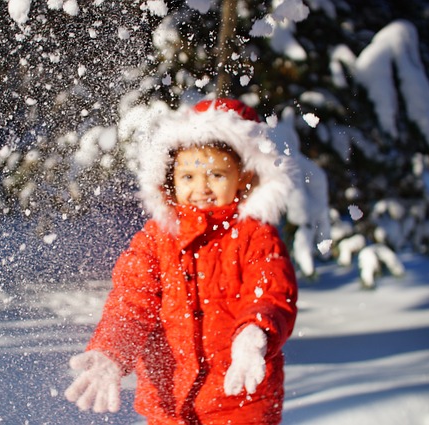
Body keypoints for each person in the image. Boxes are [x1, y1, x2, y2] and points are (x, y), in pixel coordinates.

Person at [65, 98, 299, 425]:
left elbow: (272, 296)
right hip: (169, 404)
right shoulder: (156, 239)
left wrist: (253, 335)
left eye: (216, 174)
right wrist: (112, 351)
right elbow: (131, 302)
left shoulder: (255, 237)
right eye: (188, 176)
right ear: (170, 179)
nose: (201, 188)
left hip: (239, 405)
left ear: (244, 178)